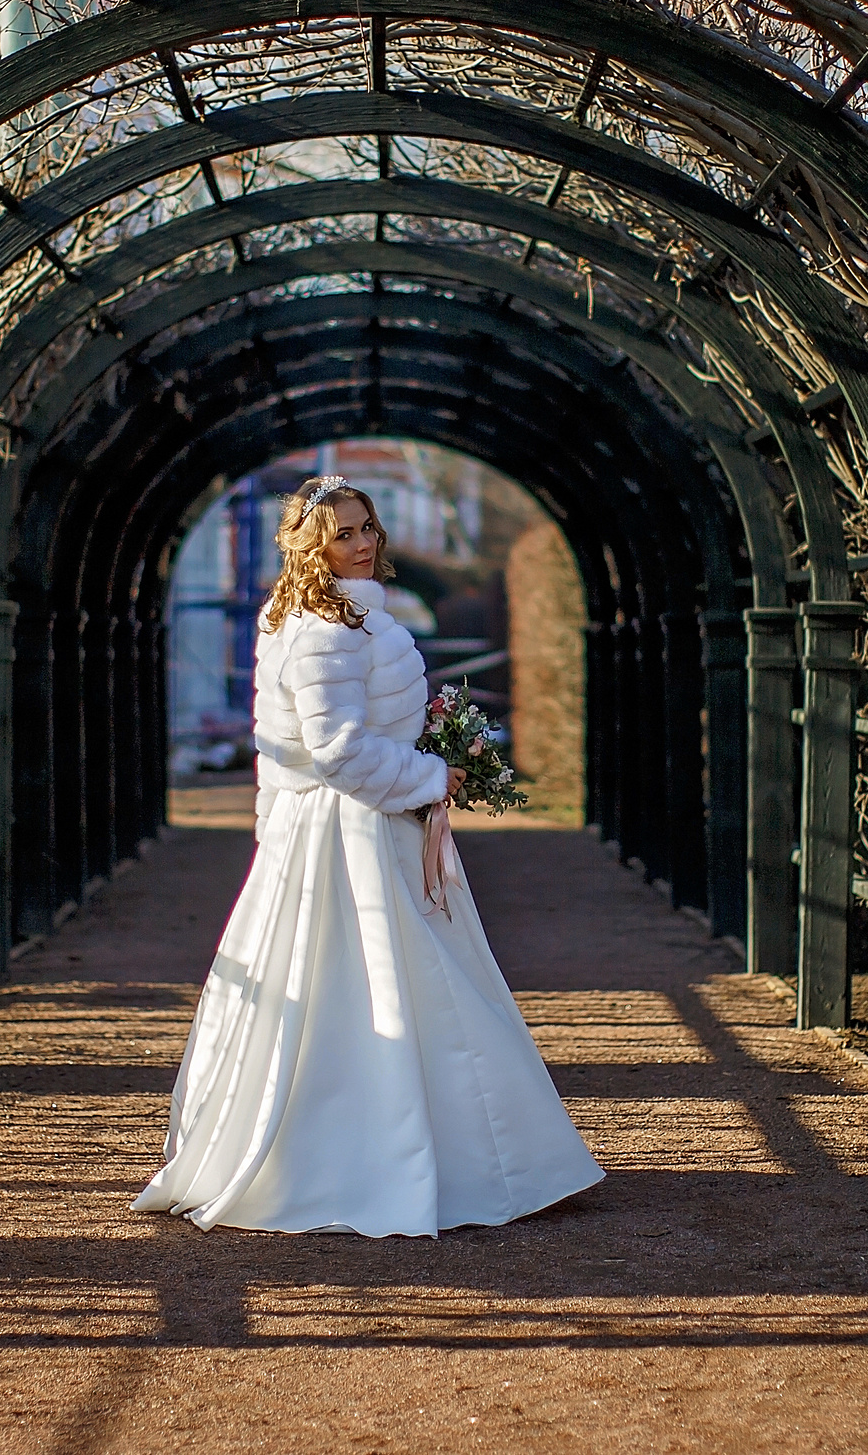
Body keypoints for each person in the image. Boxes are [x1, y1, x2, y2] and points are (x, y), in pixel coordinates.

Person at [132, 476, 605, 1236]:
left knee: (405, 987)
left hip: (369, 825)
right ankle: (376, 1161)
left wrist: (424, 763)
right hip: (348, 834)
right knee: (371, 988)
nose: (365, 541)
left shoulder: (337, 618)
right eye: (345, 532)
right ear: (310, 545)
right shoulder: (323, 630)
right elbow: (336, 753)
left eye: (368, 527)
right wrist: (428, 774)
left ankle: (445, 1155)